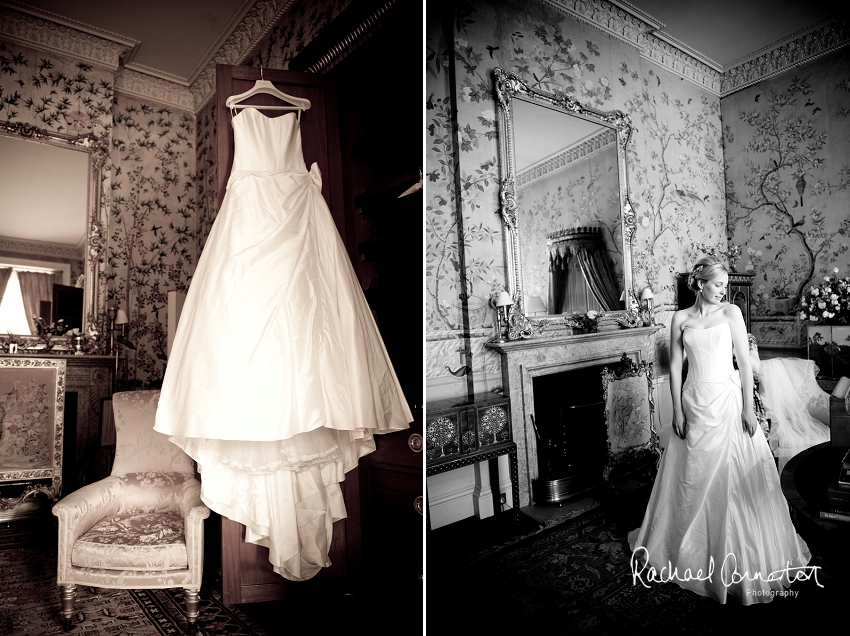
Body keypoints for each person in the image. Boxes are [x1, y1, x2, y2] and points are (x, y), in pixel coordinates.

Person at [154, 106, 412, 581]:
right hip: (252, 227)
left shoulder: (293, 118)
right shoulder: (242, 117)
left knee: (307, 339)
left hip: (294, 225)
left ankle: (296, 530)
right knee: (255, 341)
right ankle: (274, 533)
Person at [628, 256, 811, 604]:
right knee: (690, 478)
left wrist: (747, 407)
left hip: (728, 403)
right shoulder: (680, 319)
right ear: (700, 285)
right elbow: (678, 366)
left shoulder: (732, 314)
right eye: (717, 285)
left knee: (734, 477)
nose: (723, 291)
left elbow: (743, 363)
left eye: (725, 285)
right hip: (695, 403)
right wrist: (677, 410)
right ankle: (682, 549)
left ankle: (745, 556)